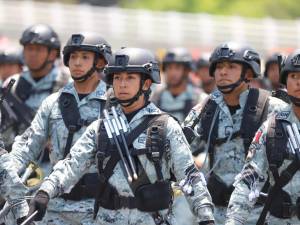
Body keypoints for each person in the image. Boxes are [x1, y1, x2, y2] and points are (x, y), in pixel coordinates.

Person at [26, 47, 215, 225]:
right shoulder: (101, 127)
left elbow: (190, 176)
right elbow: (71, 165)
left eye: (130, 77)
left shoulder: (166, 127)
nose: (122, 84)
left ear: (146, 83)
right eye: (117, 77)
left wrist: (206, 217)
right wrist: (45, 192)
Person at [6, 33, 111, 224]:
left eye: (85, 57)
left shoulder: (114, 104)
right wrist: (7, 173)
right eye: (73, 57)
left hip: (99, 209)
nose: (77, 63)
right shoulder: (53, 102)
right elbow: (28, 145)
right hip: (52, 206)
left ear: (101, 62)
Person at [182, 42, 286, 225]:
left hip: (262, 214)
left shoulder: (273, 108)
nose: (223, 72)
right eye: (219, 67)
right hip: (216, 214)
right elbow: (179, 150)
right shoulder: (204, 110)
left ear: (247, 72)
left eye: (231, 67)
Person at [225, 49, 300, 225]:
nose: (298, 82)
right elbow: (248, 181)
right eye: (293, 77)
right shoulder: (272, 127)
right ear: (285, 82)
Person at [0, 24, 69, 150]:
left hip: (54, 162)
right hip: (14, 160)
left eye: (38, 49)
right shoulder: (12, 84)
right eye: (29, 48)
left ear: (52, 54)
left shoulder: (67, 84)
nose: (32, 54)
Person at [151, 48, 207, 122]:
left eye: (177, 68)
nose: (172, 73)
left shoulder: (200, 99)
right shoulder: (156, 96)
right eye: (169, 68)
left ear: (186, 71)